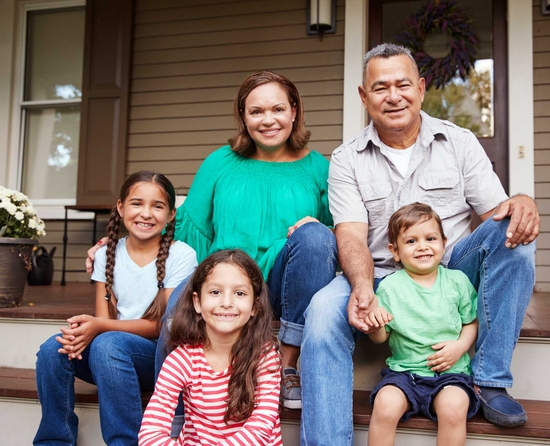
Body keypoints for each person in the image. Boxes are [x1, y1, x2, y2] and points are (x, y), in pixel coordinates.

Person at [300, 43, 539, 445]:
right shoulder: (347, 158)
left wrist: (523, 202)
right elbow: (352, 235)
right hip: (377, 275)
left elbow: (499, 214)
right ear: (363, 96)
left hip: (448, 273)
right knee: (323, 312)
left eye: (402, 84)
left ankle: (491, 380)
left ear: (422, 88)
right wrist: (361, 288)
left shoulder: (459, 142)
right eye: (380, 87)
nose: (393, 96)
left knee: (513, 229)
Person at [88, 71, 338, 410]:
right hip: (222, 279)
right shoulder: (221, 162)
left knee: (315, 236)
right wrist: (119, 243)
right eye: (256, 111)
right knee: (175, 313)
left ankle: (287, 362)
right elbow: (186, 223)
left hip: (283, 288)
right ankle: (174, 413)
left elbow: (333, 242)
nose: (268, 120)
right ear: (243, 117)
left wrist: (321, 228)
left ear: (294, 111)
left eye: (278, 109)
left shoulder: (317, 169)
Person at [34, 171, 197, 446]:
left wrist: (99, 327)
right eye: (137, 203)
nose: (146, 213)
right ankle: (54, 440)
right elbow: (104, 318)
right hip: (110, 358)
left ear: (170, 215)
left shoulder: (181, 255)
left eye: (157, 206)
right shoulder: (106, 253)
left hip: (157, 358)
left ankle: (125, 441)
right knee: (53, 349)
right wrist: (87, 330)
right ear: (121, 207)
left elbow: (163, 326)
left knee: (108, 343)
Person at [138, 249, 282, 446]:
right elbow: (151, 431)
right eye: (215, 292)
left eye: (240, 293)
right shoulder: (181, 360)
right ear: (197, 302)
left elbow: (261, 426)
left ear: (254, 307)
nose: (226, 303)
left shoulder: (264, 357)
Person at [366, 203, 480, 446]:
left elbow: (471, 322)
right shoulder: (389, 287)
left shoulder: (457, 282)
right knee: (384, 404)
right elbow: (380, 337)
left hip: (451, 375)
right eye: (411, 241)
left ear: (443, 242)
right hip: (404, 374)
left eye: (430, 238)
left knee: (453, 408)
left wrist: (460, 346)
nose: (422, 246)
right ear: (394, 251)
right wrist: (375, 326)